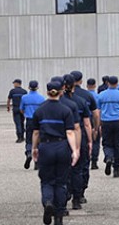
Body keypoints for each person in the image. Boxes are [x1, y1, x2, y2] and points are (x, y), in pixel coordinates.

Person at [32, 80, 79, 225]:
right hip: (62, 146)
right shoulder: (66, 110)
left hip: (46, 147)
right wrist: (75, 150)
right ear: (62, 90)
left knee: (46, 181)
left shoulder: (40, 110)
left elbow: (35, 132)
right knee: (61, 182)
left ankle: (47, 202)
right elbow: (70, 132)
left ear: (47, 92)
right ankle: (59, 216)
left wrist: (34, 148)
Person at [62, 74, 92, 210]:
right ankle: (77, 198)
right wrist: (90, 140)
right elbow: (86, 124)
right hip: (78, 137)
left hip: (61, 138)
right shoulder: (80, 101)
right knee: (78, 169)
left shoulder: (59, 103)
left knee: (63, 170)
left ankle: (64, 195)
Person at [97, 75, 119, 178]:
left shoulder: (101, 95)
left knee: (107, 143)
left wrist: (98, 125)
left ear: (108, 83)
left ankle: (108, 157)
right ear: (117, 83)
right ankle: (116, 169)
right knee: (118, 145)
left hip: (106, 122)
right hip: (118, 122)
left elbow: (98, 112)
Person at [21, 81, 46, 170]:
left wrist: (26, 113)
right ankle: (37, 161)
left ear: (28, 87)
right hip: (39, 120)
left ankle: (28, 153)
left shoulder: (24, 98)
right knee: (38, 140)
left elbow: (21, 109)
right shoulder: (41, 98)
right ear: (38, 87)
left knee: (28, 139)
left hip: (29, 119)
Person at [86, 79, 101, 170]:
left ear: (87, 85)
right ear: (95, 85)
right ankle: (94, 161)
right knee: (96, 140)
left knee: (86, 140)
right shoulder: (98, 96)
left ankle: (87, 158)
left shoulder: (84, 96)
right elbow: (98, 112)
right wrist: (97, 126)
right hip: (94, 119)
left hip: (85, 119)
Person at [7, 79, 27, 144]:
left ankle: (19, 137)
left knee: (17, 123)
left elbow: (9, 99)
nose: (14, 85)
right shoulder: (24, 91)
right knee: (21, 122)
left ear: (17, 83)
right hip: (22, 109)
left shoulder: (12, 91)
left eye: (14, 83)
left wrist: (8, 107)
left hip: (15, 108)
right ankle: (22, 136)